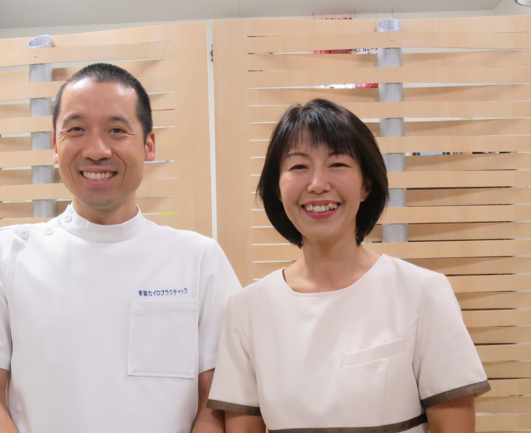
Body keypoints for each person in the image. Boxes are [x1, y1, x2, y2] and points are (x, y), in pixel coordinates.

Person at [0, 63, 238, 433]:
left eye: (116, 130)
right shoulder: (3, 253)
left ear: (149, 145)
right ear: (55, 146)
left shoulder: (198, 259)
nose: (96, 150)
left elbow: (214, 404)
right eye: (76, 129)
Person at [206, 99, 490, 433]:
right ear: (277, 189)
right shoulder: (246, 310)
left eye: (337, 164)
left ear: (366, 184)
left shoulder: (422, 293)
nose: (317, 184)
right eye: (299, 166)